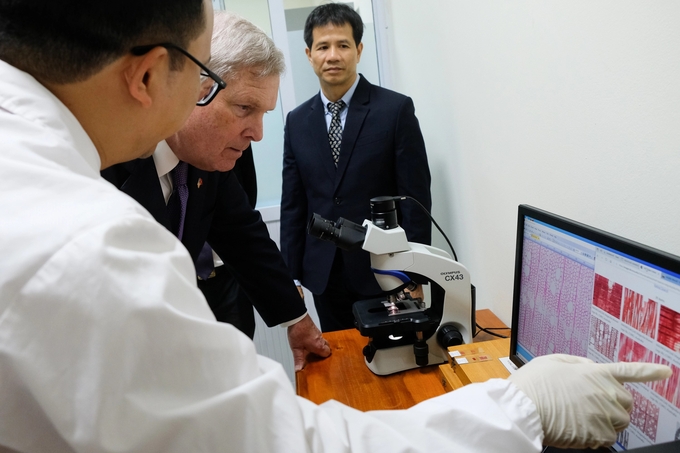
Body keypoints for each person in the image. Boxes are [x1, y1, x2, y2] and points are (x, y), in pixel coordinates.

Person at [0, 1, 672, 452]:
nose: (256, 131)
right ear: (148, 74)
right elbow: (277, 439)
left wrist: (297, 309)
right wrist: (524, 411)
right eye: (206, 77)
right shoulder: (87, 243)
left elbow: (245, 226)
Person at [102, 13, 329, 365]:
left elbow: (244, 237)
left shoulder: (207, 161)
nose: (257, 133)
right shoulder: (106, 161)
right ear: (196, 88)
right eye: (244, 108)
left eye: (264, 113)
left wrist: (295, 318)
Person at [280, 3, 432, 332]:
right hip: (322, 274)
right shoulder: (296, 122)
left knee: (394, 362)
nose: (332, 55)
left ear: (359, 50)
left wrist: (416, 273)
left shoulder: (394, 110)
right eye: (322, 46)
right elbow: (293, 204)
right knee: (343, 369)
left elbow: (415, 199)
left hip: (385, 271)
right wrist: (289, 276)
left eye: (343, 45)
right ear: (309, 54)